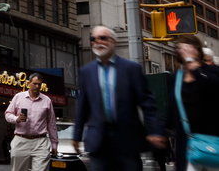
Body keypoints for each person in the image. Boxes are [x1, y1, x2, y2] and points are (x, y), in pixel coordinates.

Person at [73, 25, 166, 171]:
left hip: (128, 141)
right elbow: (82, 106)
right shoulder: (86, 71)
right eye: (93, 39)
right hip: (98, 142)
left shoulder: (131, 69)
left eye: (102, 38)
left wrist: (155, 131)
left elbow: (148, 104)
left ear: (113, 42)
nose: (97, 42)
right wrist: (76, 135)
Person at [167, 34, 219, 171]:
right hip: (188, 144)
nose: (185, 51)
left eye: (189, 48)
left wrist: (194, 67)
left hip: (213, 140)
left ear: (197, 50)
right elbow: (172, 108)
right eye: (181, 48)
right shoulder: (175, 78)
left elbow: (212, 88)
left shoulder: (212, 72)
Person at [4, 73, 58, 170]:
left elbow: (51, 124)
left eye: (39, 84)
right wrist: (17, 119)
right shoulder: (18, 97)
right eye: (35, 84)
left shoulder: (47, 100)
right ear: (29, 83)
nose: (37, 86)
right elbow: (8, 114)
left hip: (40, 142)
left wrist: (54, 144)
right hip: (21, 140)